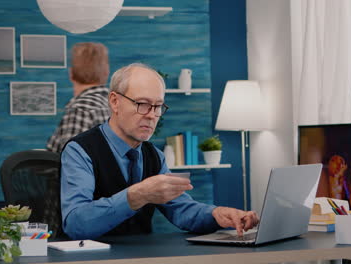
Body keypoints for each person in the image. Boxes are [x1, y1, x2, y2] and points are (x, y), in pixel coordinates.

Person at [60, 63, 259, 240]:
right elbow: (76, 225)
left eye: (157, 106)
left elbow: (181, 208)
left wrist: (217, 214)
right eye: (143, 104)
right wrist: (137, 195)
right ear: (114, 102)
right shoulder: (80, 150)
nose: (152, 115)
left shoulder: (154, 155)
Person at [46, 42, 111, 153]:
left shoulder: (80, 109)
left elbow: (72, 161)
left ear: (71, 73)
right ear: (106, 73)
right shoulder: (113, 106)